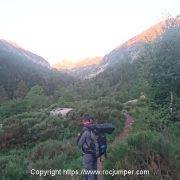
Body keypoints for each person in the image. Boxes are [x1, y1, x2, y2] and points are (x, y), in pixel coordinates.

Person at [77, 114, 98, 180]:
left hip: (88, 155)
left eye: (83, 121)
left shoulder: (85, 131)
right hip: (95, 153)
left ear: (85, 121)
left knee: (89, 173)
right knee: (94, 172)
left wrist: (78, 136)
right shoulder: (95, 129)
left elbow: (79, 144)